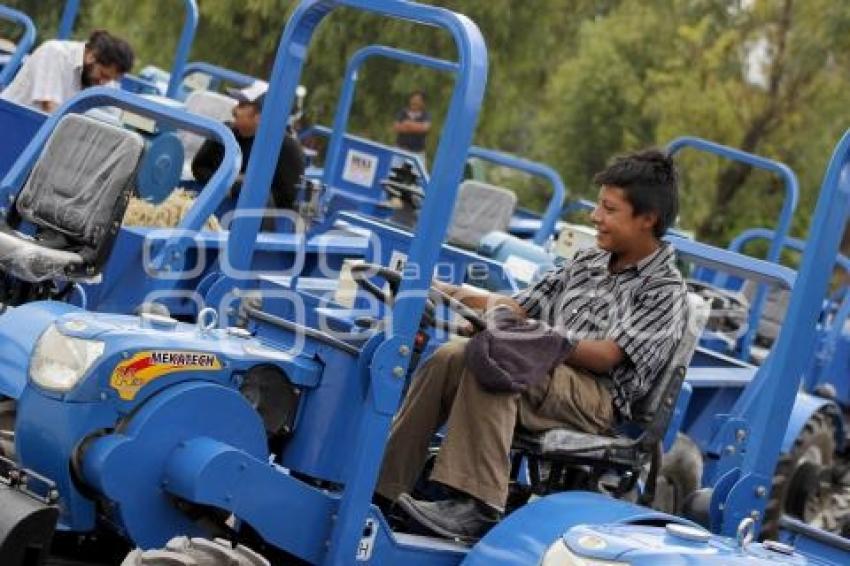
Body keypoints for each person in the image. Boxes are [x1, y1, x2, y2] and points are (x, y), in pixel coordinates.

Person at [375, 149, 688, 540]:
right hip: (545, 370)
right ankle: (386, 486)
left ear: (647, 219)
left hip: (595, 398)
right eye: (598, 206)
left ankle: (478, 504)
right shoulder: (587, 261)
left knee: (497, 358)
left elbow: (607, 356)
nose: (595, 217)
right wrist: (439, 289)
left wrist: (542, 341)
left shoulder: (665, 291)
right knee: (449, 355)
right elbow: (520, 306)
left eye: (609, 209)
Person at [191, 93, 306, 216]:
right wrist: (229, 184)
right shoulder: (225, 133)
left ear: (260, 116)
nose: (234, 110)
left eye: (242, 105)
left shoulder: (288, 149)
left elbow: (286, 200)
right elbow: (199, 167)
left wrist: (240, 188)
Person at [1, 29, 134, 113]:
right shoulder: (54, 53)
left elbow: (112, 117)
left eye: (110, 79)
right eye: (103, 75)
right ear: (91, 56)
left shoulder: (102, 80)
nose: (103, 83)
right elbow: (50, 109)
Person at [393, 90, 431, 163]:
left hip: (417, 153)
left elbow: (425, 128)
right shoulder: (403, 112)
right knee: (393, 173)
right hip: (400, 150)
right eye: (413, 99)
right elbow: (397, 127)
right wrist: (417, 127)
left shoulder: (426, 115)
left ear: (422, 103)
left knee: (414, 174)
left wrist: (407, 124)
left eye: (417, 100)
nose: (414, 102)